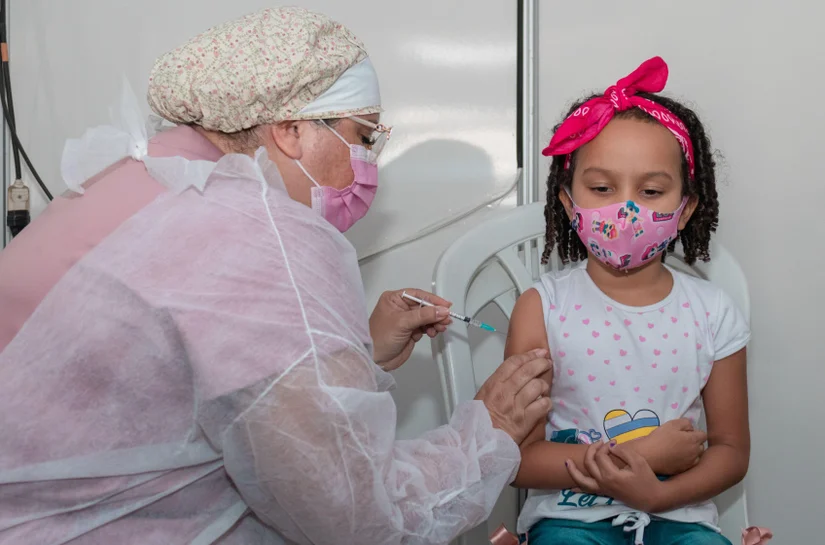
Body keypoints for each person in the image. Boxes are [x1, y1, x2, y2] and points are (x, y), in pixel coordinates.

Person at [0, 7, 552, 545]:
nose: (367, 163)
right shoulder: (261, 235)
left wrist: (353, 351)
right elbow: (356, 517)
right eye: (362, 137)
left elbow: (184, 379)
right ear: (290, 129)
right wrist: (489, 432)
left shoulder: (151, 174)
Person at [505, 57, 750, 544]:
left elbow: (730, 450)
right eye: (601, 188)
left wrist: (657, 496)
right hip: (568, 522)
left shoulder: (713, 313)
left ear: (685, 210)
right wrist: (643, 458)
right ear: (569, 204)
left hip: (680, 516)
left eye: (652, 190)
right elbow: (520, 460)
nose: (627, 209)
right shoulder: (542, 307)